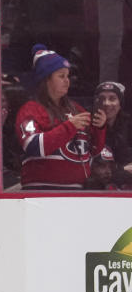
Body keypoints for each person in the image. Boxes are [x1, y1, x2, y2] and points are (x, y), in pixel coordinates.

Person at [16, 44, 107, 189]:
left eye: (68, 76)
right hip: (41, 192)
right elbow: (33, 146)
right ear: (46, 79)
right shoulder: (30, 110)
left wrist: (100, 128)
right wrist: (69, 127)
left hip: (78, 191)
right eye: (61, 76)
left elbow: (94, 150)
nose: (67, 80)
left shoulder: (77, 109)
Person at [93, 81, 132, 176]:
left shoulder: (129, 124)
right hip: (96, 180)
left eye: (112, 98)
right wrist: (121, 170)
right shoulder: (86, 123)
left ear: (120, 103)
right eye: (102, 98)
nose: (106, 103)